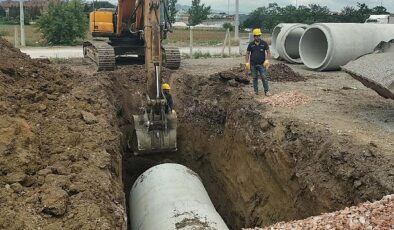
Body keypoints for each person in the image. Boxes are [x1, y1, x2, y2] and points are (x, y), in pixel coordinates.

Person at [245, 28, 271, 96]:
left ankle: (267, 91)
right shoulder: (251, 44)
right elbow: (247, 53)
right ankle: (255, 91)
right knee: (254, 78)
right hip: (253, 64)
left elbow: (268, 52)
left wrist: (267, 60)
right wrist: (247, 62)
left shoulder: (264, 43)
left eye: (259, 35)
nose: (258, 37)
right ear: (254, 36)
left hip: (262, 64)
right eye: (256, 36)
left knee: (264, 77)